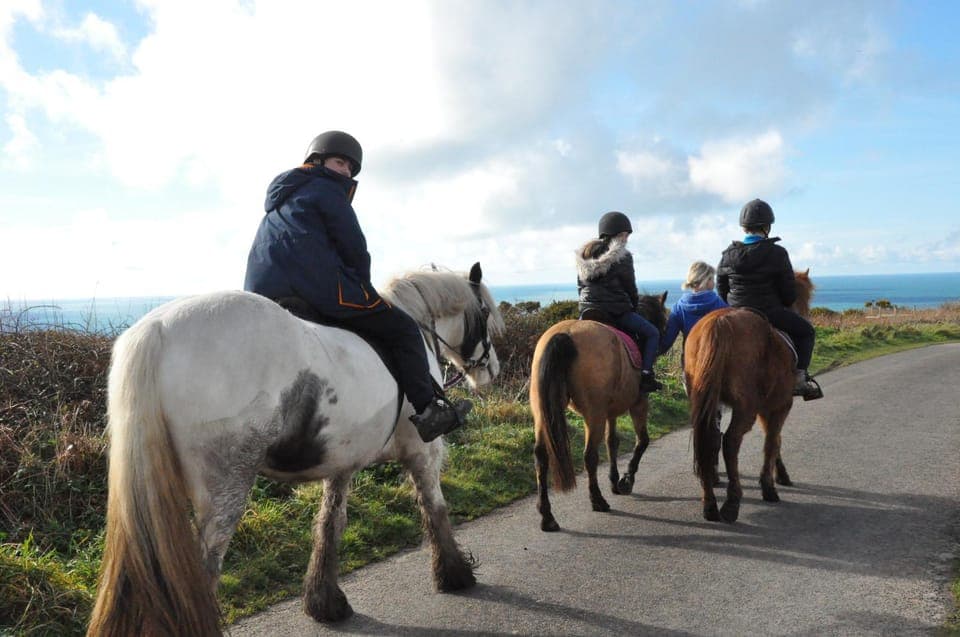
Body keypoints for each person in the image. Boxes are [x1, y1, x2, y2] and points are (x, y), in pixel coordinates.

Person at [244, 130, 470, 442]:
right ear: (318, 161)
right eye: (340, 162)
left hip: (263, 293)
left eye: (350, 168)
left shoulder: (281, 200)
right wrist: (364, 288)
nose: (346, 172)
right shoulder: (327, 191)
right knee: (404, 329)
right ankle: (429, 410)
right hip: (315, 289)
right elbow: (354, 249)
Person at [716, 198, 820, 398]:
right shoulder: (777, 253)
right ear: (767, 227)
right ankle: (799, 378)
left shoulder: (728, 254)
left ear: (744, 227)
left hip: (735, 313)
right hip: (769, 312)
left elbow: (721, 289)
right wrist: (783, 302)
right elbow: (788, 294)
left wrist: (733, 308)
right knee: (807, 332)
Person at [576, 211, 661, 392]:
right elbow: (630, 287)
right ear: (614, 234)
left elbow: (580, 286)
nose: (626, 239)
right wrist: (633, 306)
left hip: (587, 310)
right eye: (624, 235)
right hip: (614, 311)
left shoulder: (584, 255)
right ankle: (646, 375)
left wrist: (584, 305)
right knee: (652, 333)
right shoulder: (623, 256)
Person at [659, 260, 727, 355]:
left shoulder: (678, 308)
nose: (714, 282)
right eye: (712, 279)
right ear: (706, 281)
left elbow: (666, 342)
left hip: (690, 359)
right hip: (715, 358)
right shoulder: (720, 305)